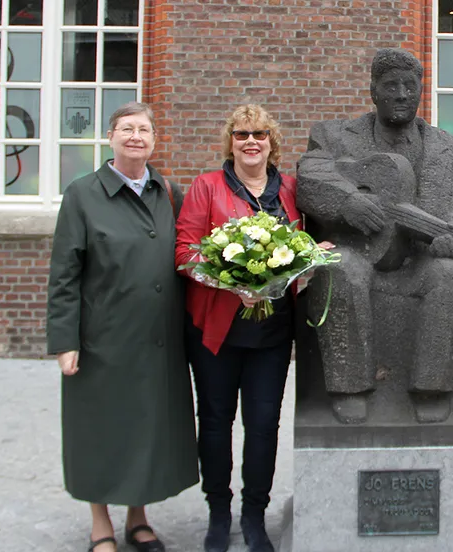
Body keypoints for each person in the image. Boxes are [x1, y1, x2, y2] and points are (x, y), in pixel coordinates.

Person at [296, 48, 453, 424]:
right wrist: (348, 201)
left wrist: (452, 238)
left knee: (452, 275)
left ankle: (432, 388)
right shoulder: (334, 136)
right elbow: (310, 178)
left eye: (410, 86)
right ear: (373, 90)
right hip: (358, 254)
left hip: (419, 262)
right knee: (338, 269)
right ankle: (351, 389)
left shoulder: (448, 150)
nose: (402, 94)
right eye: (391, 86)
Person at [47, 102, 199, 552]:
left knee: (147, 430)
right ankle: (100, 523)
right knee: (98, 429)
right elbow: (64, 274)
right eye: (126, 129)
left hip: (158, 340)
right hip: (102, 338)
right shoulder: (82, 194)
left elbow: (191, 255)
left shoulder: (169, 192)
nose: (136, 136)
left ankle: (138, 517)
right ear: (110, 137)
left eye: (144, 129)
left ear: (154, 140)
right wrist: (64, 341)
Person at [175, 105, 301, 552]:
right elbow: (186, 253)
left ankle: (253, 515)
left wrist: (310, 259)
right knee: (214, 423)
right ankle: (217, 513)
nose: (251, 141)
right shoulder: (207, 187)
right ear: (230, 141)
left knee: (264, 425)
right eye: (242, 133)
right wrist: (235, 283)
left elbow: (303, 246)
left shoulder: (290, 189)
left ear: (272, 141)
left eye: (260, 134)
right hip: (216, 331)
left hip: (271, 334)